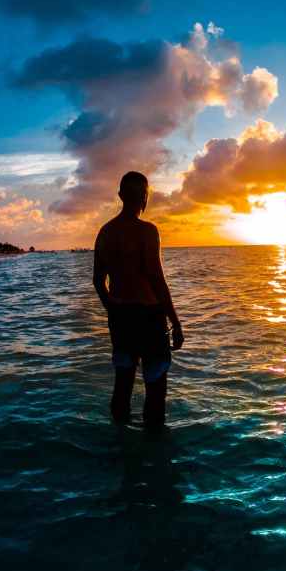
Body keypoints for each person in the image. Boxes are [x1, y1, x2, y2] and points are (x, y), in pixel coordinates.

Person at [93, 171, 184, 428]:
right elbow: (156, 279)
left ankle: (119, 441)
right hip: (149, 318)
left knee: (122, 385)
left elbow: (98, 281)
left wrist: (112, 309)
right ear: (145, 197)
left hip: (120, 318)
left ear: (121, 195)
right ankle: (153, 446)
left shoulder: (105, 232)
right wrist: (175, 322)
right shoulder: (147, 231)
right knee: (155, 388)